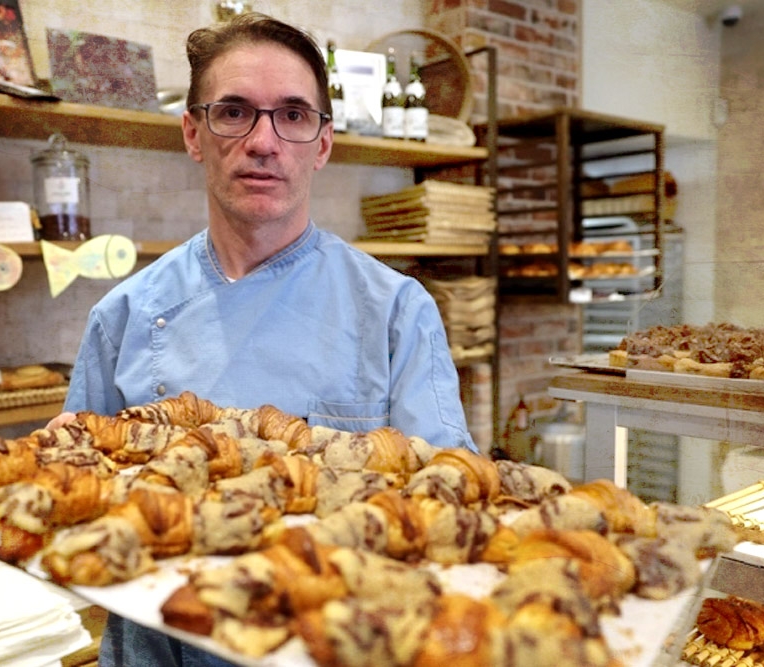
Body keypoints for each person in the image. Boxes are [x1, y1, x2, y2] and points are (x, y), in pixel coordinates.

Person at [59, 12, 477, 666]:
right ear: (193, 134)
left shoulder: (397, 312)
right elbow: (69, 494)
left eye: (292, 114)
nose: (263, 140)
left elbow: (450, 510)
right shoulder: (124, 315)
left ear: (324, 143)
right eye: (234, 112)